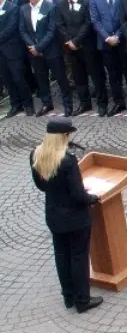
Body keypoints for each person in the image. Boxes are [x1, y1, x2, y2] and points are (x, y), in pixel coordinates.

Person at [30, 118, 103, 313]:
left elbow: (41, 186)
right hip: (75, 218)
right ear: (64, 136)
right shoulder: (67, 161)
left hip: (54, 215)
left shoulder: (36, 154)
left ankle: (68, 297)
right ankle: (82, 301)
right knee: (78, 257)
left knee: (62, 256)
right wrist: (93, 198)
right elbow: (78, 195)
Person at [20, 0, 69, 116]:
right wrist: (32, 46)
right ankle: (46, 103)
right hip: (34, 53)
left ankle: (67, 104)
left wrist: (39, 47)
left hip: (51, 50)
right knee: (41, 79)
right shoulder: (23, 9)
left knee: (61, 78)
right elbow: (23, 30)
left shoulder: (50, 7)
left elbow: (52, 30)